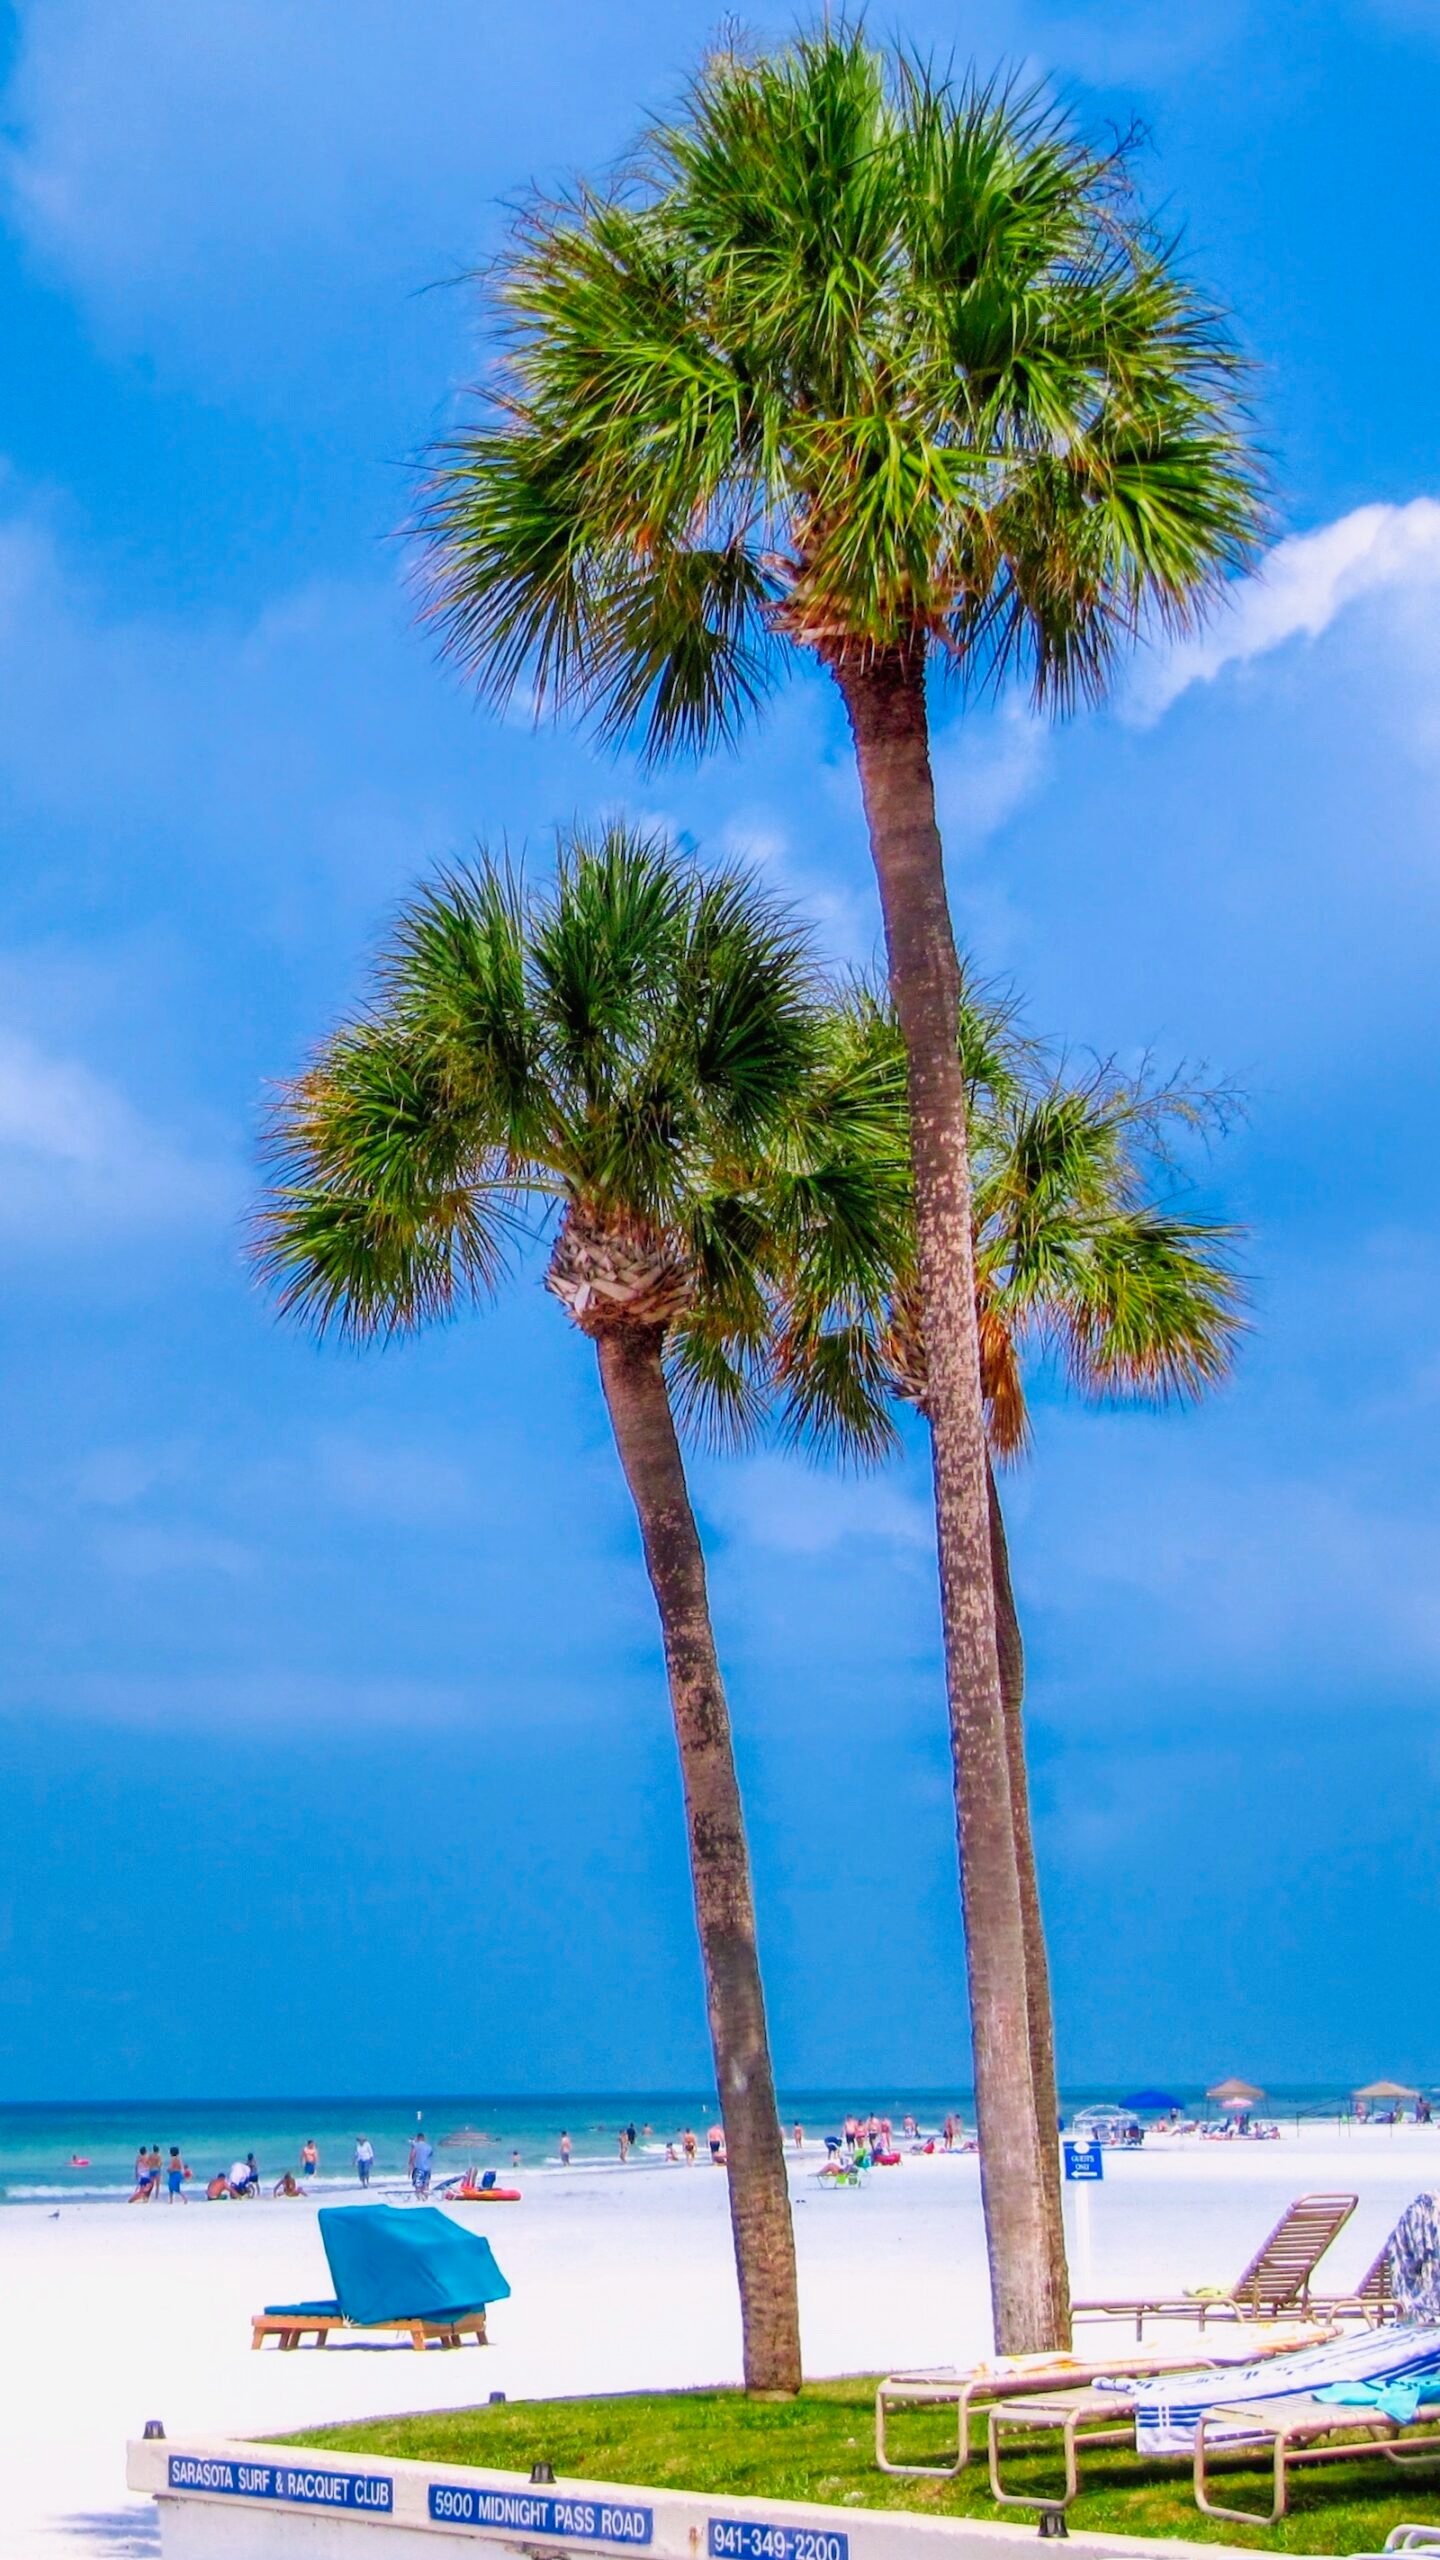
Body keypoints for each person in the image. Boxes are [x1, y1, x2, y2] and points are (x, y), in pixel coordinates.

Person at [409, 2131, 433, 2197]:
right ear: (424, 2138)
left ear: (417, 2138)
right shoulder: (429, 2147)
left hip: (419, 2168)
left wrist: (410, 2167)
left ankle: (419, 2198)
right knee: (426, 2184)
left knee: (418, 2185)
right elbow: (429, 2157)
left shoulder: (415, 2146)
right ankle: (425, 2198)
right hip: (428, 2168)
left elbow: (412, 2156)